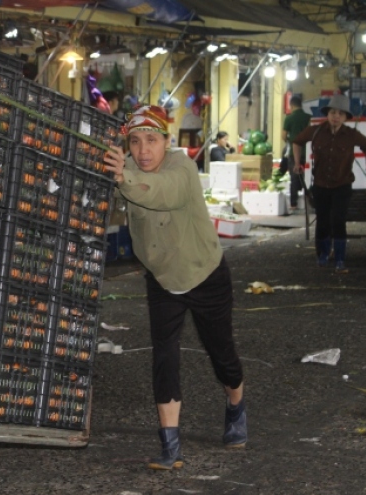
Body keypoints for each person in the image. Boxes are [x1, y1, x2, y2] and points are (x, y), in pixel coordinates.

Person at [103, 105, 246, 471]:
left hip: (205, 275)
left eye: (151, 140)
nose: (143, 149)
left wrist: (125, 179)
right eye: (135, 142)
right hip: (163, 279)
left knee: (222, 355)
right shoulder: (129, 170)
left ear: (167, 141)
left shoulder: (182, 168)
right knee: (164, 357)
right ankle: (170, 446)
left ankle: (235, 404)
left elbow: (161, 193)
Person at [291, 94, 366, 274]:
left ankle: (340, 260)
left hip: (342, 185)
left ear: (345, 118)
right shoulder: (316, 131)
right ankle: (322, 256)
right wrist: (298, 163)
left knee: (338, 221)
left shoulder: (351, 134)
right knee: (322, 222)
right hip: (320, 184)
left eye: (340, 114)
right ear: (327, 114)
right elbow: (296, 142)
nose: (336, 116)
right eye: (333, 112)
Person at [280, 95, 311, 211]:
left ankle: (293, 203)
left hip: (294, 152)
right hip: (307, 152)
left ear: (291, 105)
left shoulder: (289, 118)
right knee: (307, 177)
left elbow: (283, 136)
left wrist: (289, 140)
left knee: (294, 177)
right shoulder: (308, 117)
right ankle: (309, 202)